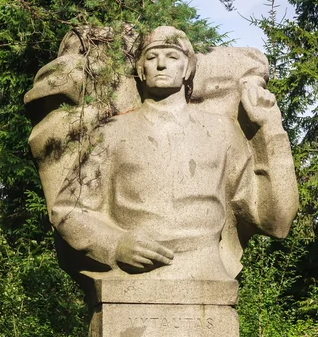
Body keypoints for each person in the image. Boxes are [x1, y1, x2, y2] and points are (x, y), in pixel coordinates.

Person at [49, 26, 299, 282]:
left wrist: (269, 130)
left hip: (208, 275)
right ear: (139, 69)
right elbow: (68, 210)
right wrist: (115, 244)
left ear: (188, 69)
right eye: (152, 57)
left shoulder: (222, 131)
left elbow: (276, 222)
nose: (161, 65)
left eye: (172, 56)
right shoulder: (111, 132)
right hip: (132, 278)